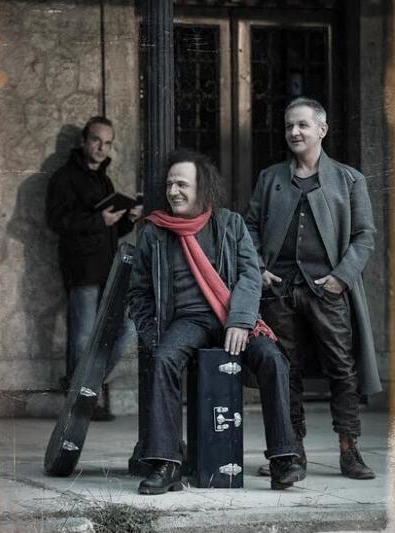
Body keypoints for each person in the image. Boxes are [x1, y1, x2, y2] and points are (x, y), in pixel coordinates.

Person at [128, 148, 304, 495]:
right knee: (163, 358)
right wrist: (155, 334)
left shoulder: (230, 224)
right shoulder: (153, 232)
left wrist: (240, 320)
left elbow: (249, 276)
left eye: (182, 184)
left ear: (202, 187)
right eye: (170, 184)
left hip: (230, 318)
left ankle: (284, 458)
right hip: (185, 321)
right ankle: (167, 464)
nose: (173, 191)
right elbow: (138, 293)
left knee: (272, 358)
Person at [245, 97, 381, 480]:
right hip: (280, 291)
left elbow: (364, 235)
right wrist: (259, 268)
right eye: (290, 125)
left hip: (329, 290)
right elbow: (249, 226)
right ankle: (292, 453)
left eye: (303, 125)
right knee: (285, 370)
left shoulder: (349, 179)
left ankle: (349, 451)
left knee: (342, 368)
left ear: (322, 130)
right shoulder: (270, 178)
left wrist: (341, 276)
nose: (295, 132)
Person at [47, 116, 142, 420]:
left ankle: (85, 388)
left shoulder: (104, 180)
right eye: (96, 141)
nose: (102, 148)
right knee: (83, 337)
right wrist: (97, 220)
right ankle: (80, 402)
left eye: (108, 143)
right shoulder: (64, 178)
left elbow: (111, 230)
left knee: (124, 329)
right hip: (81, 269)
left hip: (108, 268)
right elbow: (56, 221)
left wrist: (129, 219)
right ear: (84, 141)